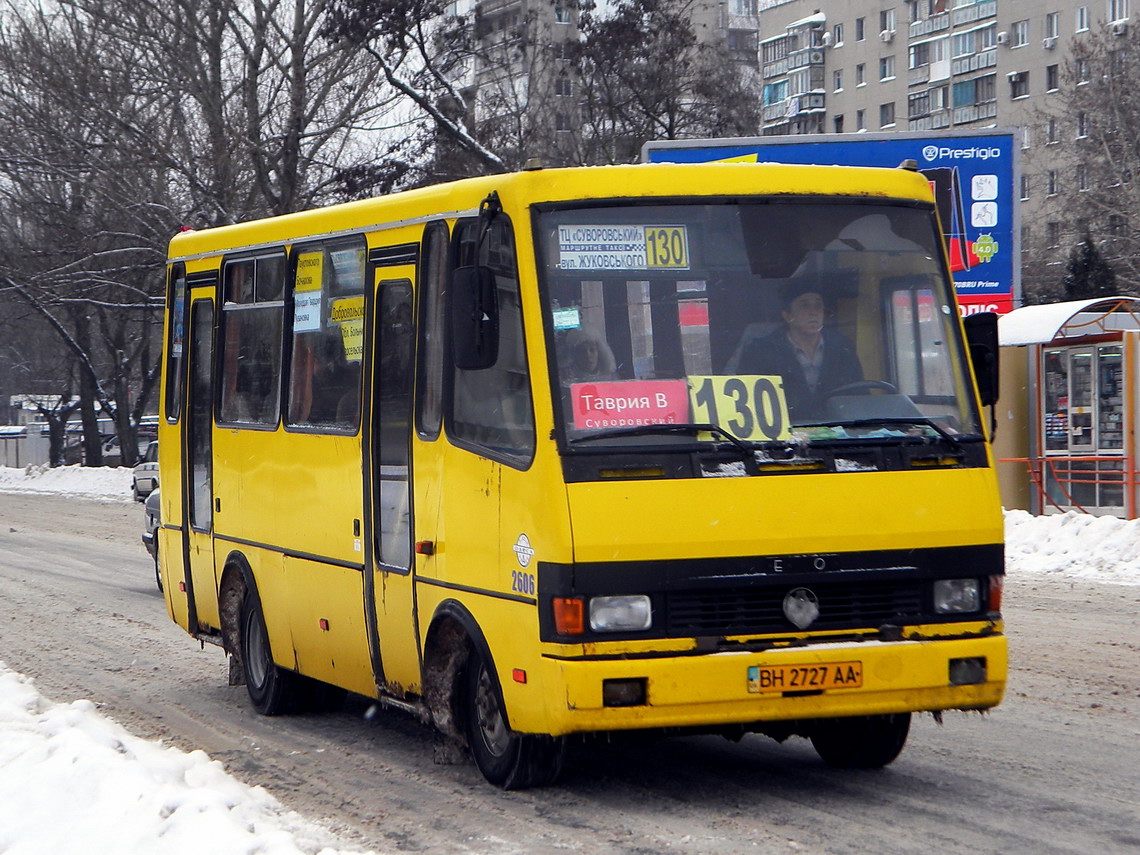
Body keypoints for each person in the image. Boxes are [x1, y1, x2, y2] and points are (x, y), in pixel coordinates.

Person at [737, 280, 863, 421]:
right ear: (787, 315)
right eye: (804, 305)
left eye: (818, 305)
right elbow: (748, 404)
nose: (813, 312)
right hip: (782, 437)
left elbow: (860, 398)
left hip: (840, 436)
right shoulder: (760, 352)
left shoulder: (843, 348)